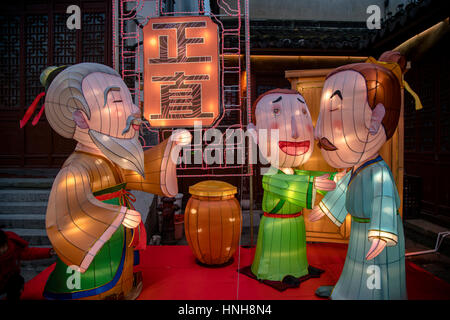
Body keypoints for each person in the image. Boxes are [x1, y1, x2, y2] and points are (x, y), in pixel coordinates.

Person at [20, 63, 191, 300]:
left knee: (120, 268)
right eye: (118, 102)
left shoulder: (112, 157)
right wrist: (117, 215)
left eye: (130, 100)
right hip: (97, 237)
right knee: (97, 276)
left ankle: (122, 288)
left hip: (120, 232)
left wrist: (170, 147)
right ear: (81, 118)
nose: (134, 110)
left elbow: (137, 172)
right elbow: (69, 209)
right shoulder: (76, 166)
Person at [310, 51, 421, 300]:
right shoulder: (358, 168)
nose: (320, 132)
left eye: (336, 111)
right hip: (361, 232)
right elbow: (345, 188)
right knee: (355, 267)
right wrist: (326, 208)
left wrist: (382, 232)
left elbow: (385, 202)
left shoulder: (379, 172)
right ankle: (347, 291)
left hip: (375, 233)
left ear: (375, 118)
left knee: (374, 274)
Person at [245, 89, 338, 285]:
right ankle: (274, 274)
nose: (295, 132)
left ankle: (299, 268)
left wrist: (332, 177)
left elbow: (307, 177)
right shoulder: (270, 176)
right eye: (276, 112)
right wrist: (313, 184)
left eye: (302, 114)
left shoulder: (296, 172)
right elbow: (291, 185)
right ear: (256, 136)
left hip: (296, 223)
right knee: (276, 258)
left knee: (296, 253)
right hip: (275, 227)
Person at [0, 229, 54, 300]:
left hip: (8, 280)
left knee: (17, 281)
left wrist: (49, 252)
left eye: (3, 247)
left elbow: (29, 253)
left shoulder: (13, 247)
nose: (2, 251)